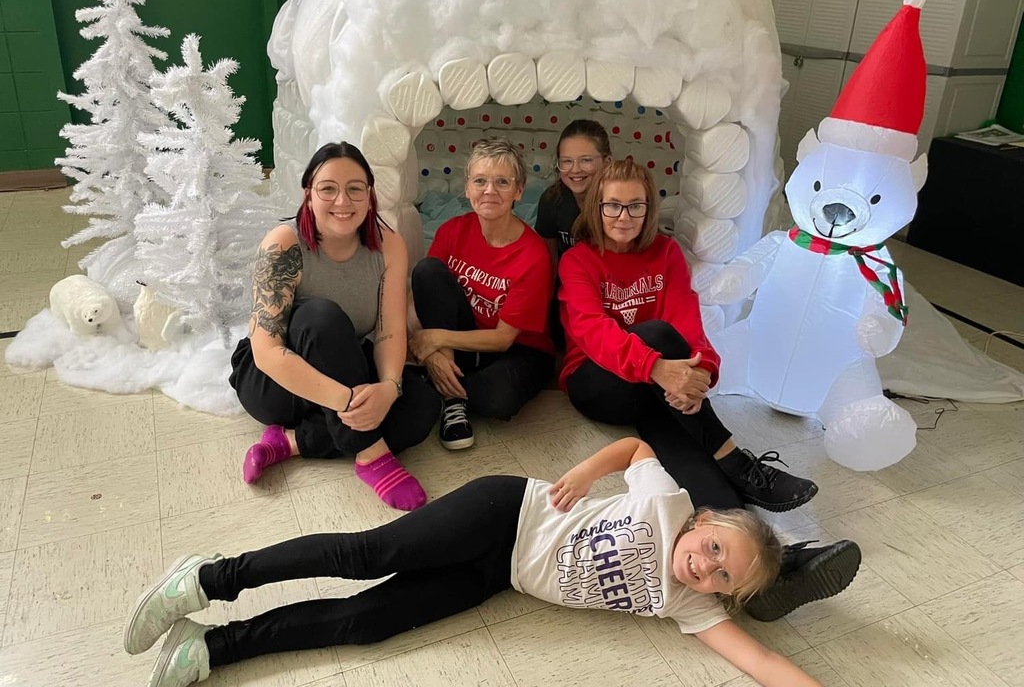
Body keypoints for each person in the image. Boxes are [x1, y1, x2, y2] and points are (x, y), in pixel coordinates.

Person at [125, 438, 860, 687]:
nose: (705, 568)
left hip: (497, 576)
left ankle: (213, 649)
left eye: (724, 577)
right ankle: (208, 578)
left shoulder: (690, 606)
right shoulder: (667, 505)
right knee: (369, 554)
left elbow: (762, 662)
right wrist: (583, 474)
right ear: (701, 524)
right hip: (507, 511)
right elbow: (637, 448)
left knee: (367, 624)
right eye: (714, 550)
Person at [558, 159, 820, 516]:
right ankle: (738, 462)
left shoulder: (665, 252)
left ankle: (737, 524)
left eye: (635, 206)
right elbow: (592, 330)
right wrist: (657, 367)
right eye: (613, 206)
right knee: (658, 334)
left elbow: (686, 319)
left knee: (679, 436)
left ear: (649, 208)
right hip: (596, 382)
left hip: (654, 383)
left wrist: (701, 371)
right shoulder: (577, 260)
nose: (624, 217)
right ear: (597, 208)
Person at [228, 142, 440, 512]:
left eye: (355, 188)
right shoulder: (283, 244)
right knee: (320, 317)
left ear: (370, 195)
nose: (343, 201)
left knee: (422, 406)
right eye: (328, 188)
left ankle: (291, 442)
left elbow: (389, 332)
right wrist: (350, 404)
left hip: (344, 364)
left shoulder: (389, 245)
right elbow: (267, 352)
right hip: (278, 383)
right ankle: (371, 454)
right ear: (308, 194)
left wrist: (389, 388)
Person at [409, 138, 554, 450]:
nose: (490, 191)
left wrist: (433, 339)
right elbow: (420, 297)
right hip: (464, 339)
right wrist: (434, 354)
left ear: (518, 191)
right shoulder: (452, 230)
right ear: (467, 188)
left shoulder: (533, 255)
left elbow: (503, 338)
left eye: (502, 182)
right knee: (427, 270)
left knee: (499, 398)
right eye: (480, 181)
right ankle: (452, 399)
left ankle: (444, 385)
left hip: (517, 348)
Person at [535, 119, 613, 347]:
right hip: (568, 293)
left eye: (586, 160)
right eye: (566, 161)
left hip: (612, 292)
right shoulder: (552, 200)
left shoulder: (619, 200)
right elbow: (548, 264)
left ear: (607, 161)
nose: (575, 170)